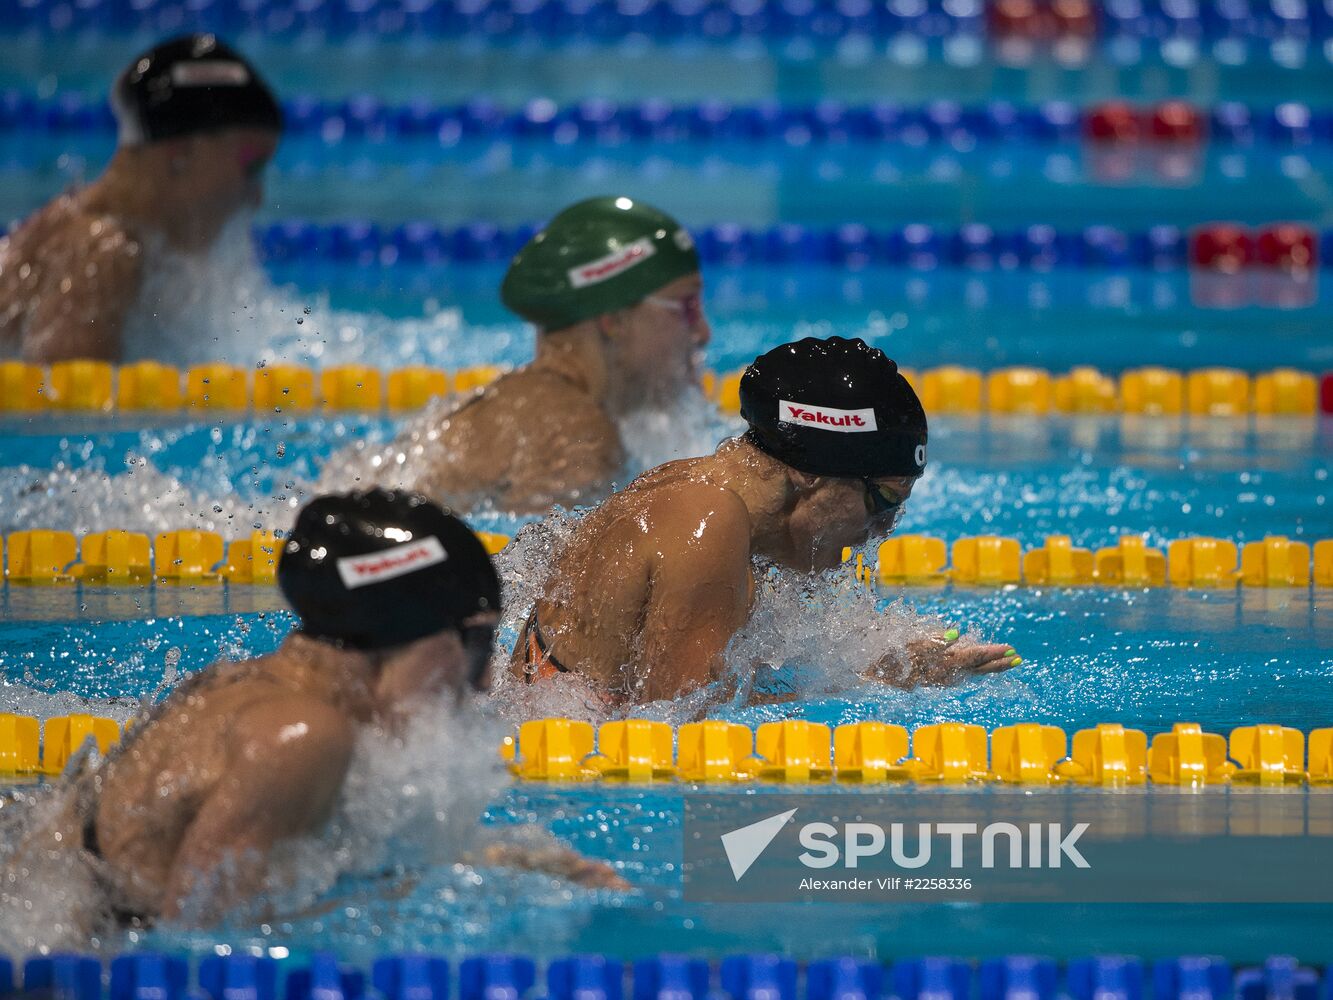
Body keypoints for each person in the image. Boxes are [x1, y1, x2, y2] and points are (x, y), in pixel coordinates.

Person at [33, 490, 618, 929]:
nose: (487, 681)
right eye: (479, 644)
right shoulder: (304, 736)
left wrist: (493, 861)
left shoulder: (249, 687)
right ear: (421, 634)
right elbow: (203, 942)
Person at [510, 336, 1020, 704]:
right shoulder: (708, 521)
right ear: (814, 475)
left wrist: (879, 662)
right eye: (884, 497)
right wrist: (878, 683)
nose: (884, 528)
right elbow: (676, 721)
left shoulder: (697, 490)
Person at [318, 196, 710, 514]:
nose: (702, 333)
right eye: (686, 306)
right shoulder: (576, 434)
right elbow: (535, 591)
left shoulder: (521, 404)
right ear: (614, 321)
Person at [0, 33, 282, 362]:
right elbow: (71, 403)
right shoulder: (104, 254)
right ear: (181, 152)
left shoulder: (87, 226)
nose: (256, 196)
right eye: (251, 166)